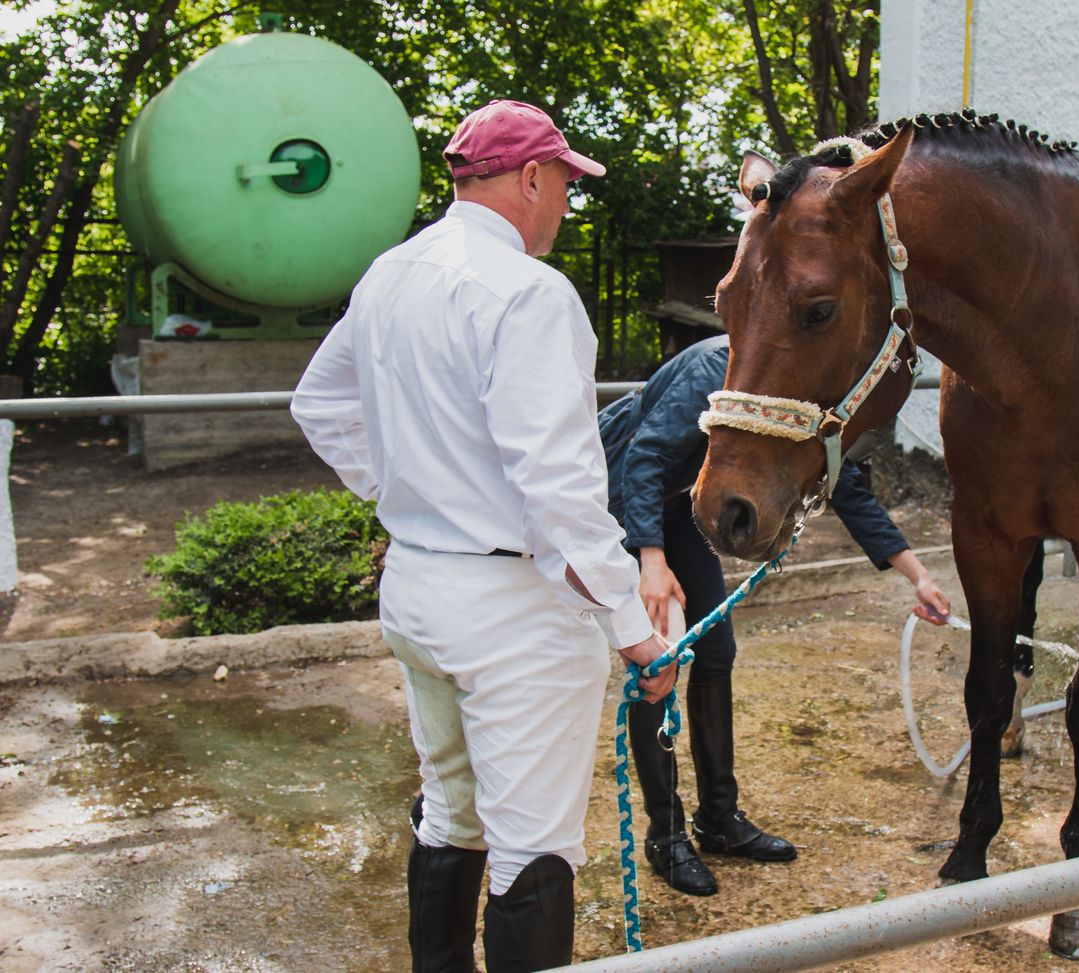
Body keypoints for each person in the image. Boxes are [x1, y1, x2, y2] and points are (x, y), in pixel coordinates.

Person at [291, 100, 674, 973]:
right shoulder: (530, 293)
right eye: (567, 186)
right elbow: (560, 494)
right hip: (512, 612)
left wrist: (404, 492)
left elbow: (317, 401)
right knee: (532, 845)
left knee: (451, 807)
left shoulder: (391, 271)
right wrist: (637, 633)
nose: (568, 205)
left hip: (419, 587)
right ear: (533, 177)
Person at [598, 334, 952, 895]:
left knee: (715, 652)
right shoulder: (718, 366)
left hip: (681, 503)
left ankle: (719, 819)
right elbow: (644, 456)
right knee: (656, 666)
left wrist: (919, 575)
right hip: (625, 499)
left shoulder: (803, 386)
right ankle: (665, 835)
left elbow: (843, 486)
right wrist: (650, 561)